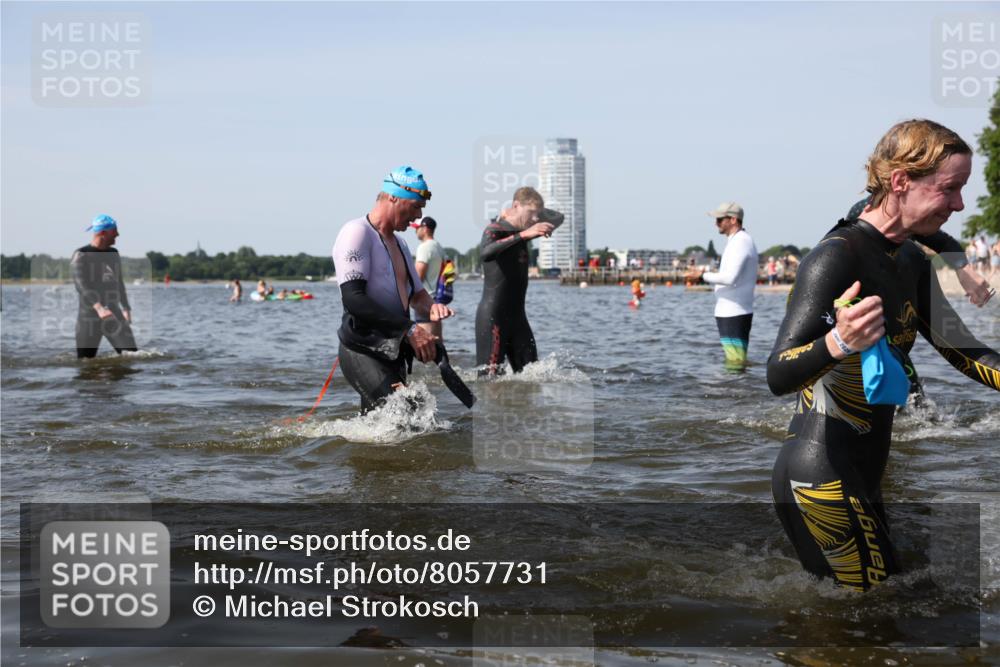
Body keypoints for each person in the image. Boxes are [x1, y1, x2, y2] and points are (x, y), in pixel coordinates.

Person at [767, 119, 1000, 591]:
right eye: (949, 189)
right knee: (873, 624)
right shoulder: (836, 256)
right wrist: (839, 343)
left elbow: (963, 351)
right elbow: (777, 374)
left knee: (880, 619)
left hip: (865, 474)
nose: (959, 205)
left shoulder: (910, 259)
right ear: (900, 182)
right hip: (819, 477)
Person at [332, 166, 454, 412]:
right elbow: (354, 300)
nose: (418, 216)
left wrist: (432, 306)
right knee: (407, 413)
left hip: (393, 350)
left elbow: (416, 295)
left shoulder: (400, 243)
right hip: (362, 348)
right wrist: (410, 329)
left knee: (382, 429)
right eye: (416, 206)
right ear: (393, 197)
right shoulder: (357, 233)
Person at [475, 186, 562, 376]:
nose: (535, 219)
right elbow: (486, 253)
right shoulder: (495, 229)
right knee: (489, 382)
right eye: (531, 213)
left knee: (533, 378)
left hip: (518, 319)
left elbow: (559, 217)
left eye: (538, 215)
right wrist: (523, 234)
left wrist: (533, 218)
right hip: (493, 318)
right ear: (516, 205)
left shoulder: (525, 229)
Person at [846, 196, 994, 306]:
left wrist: (964, 270)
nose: (958, 205)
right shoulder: (838, 258)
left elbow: (944, 242)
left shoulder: (913, 256)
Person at [686, 202, 758, 370]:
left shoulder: (741, 241)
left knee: (735, 363)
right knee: (734, 361)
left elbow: (730, 277)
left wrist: (702, 276)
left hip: (735, 311)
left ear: (733, 219)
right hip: (730, 310)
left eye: (719, 219)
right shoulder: (736, 241)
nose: (716, 223)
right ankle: (734, 391)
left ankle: (736, 392)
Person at [71, 214, 138, 359]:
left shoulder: (113, 254)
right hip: (88, 318)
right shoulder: (81, 255)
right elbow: (80, 285)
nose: (118, 234)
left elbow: (119, 282)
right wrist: (99, 307)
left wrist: (126, 308)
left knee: (132, 357)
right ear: (103, 233)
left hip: (114, 314)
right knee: (85, 366)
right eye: (114, 231)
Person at [411, 216, 445, 341]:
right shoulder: (438, 246)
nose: (415, 231)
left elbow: (418, 275)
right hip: (438, 299)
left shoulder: (424, 247)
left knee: (425, 341)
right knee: (437, 340)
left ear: (425, 228)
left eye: (417, 228)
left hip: (425, 298)